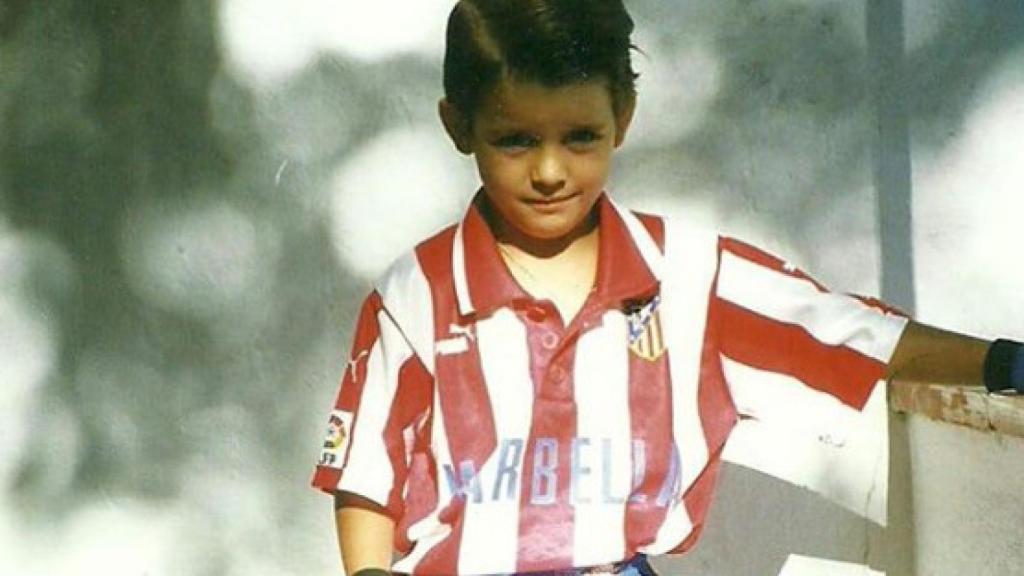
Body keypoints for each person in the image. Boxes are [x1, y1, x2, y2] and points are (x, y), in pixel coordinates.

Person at [310, 1, 1024, 574]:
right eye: (517, 140)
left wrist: (1003, 363)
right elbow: (369, 474)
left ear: (623, 117)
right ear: (458, 126)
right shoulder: (415, 294)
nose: (551, 171)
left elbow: (856, 333)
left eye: (581, 137)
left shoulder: (688, 272)